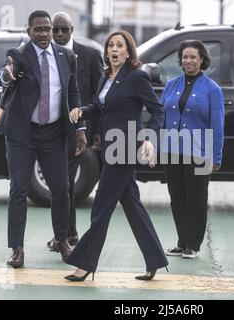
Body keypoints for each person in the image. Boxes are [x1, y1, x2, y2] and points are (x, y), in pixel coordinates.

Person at [64, 30, 168, 282]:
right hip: (109, 149)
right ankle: (154, 260)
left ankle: (84, 263)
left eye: (119, 45)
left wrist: (149, 139)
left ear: (129, 51)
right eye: (111, 45)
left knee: (100, 207)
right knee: (133, 206)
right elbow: (101, 107)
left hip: (124, 149)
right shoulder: (107, 76)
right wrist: (80, 112)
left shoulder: (136, 77)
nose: (114, 49)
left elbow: (157, 110)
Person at [0, 10, 83, 268]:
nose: (45, 34)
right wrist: (6, 74)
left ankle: (62, 241)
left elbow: (74, 93)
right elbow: (6, 73)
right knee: (19, 191)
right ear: (29, 32)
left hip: (54, 133)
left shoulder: (66, 56)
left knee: (61, 189)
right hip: (22, 133)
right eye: (39, 30)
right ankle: (17, 250)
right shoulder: (19, 55)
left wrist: (80, 129)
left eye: (48, 29)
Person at [161, 40, 224, 259]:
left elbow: (217, 125)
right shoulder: (171, 85)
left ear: (202, 60)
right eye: (185, 57)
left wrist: (216, 156)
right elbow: (161, 117)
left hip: (199, 152)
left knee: (195, 198)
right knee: (177, 197)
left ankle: (193, 245)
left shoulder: (212, 89)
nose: (188, 61)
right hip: (172, 151)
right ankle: (181, 241)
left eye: (193, 57)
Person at [46, 11, 103, 250]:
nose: (59, 34)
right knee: (60, 184)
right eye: (55, 30)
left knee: (66, 183)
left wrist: (97, 132)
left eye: (63, 29)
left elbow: (100, 97)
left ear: (72, 30)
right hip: (50, 130)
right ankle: (66, 234)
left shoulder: (89, 55)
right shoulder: (45, 55)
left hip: (78, 132)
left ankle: (68, 234)